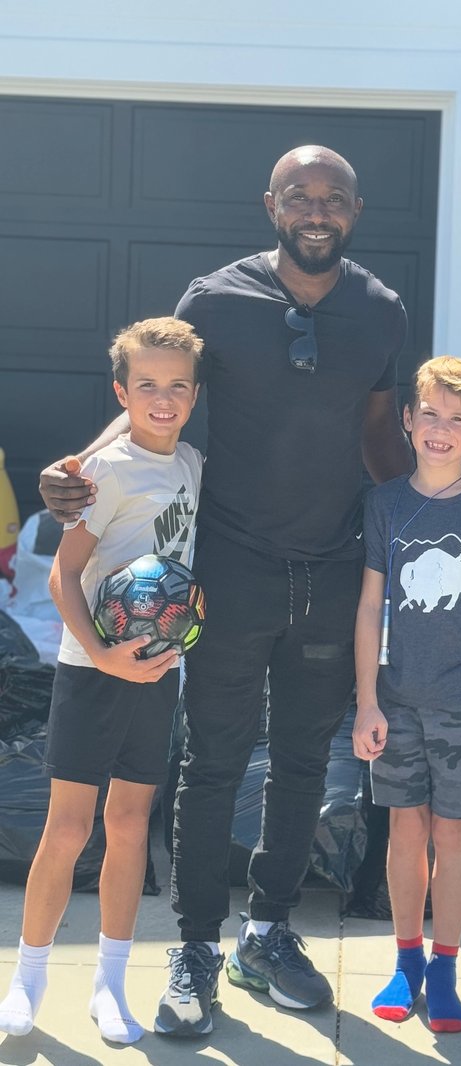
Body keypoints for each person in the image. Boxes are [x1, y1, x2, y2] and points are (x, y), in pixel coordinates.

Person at [38, 145, 412, 1037]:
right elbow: (153, 394)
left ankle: (269, 932)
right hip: (227, 572)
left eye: (333, 198)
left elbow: (381, 437)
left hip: (329, 569)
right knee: (210, 761)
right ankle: (196, 946)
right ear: (271, 205)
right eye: (299, 196)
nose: (316, 211)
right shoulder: (214, 299)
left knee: (303, 766)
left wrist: (439, 515)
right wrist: (81, 472)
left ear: (355, 211)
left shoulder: (382, 311)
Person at [0, 319, 203, 1044]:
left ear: (194, 394)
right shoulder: (104, 472)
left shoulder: (190, 466)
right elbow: (60, 575)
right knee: (68, 829)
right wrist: (102, 652)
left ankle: (110, 986)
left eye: (177, 386)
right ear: (122, 392)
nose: (162, 398)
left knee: (127, 827)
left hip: (156, 675)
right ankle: (27, 979)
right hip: (92, 673)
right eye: (146, 386)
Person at [353, 356, 461, 1032]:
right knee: (405, 830)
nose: (440, 429)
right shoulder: (385, 503)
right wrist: (367, 700)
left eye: (458, 419)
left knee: (454, 835)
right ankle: (405, 961)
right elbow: (370, 607)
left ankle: (446, 968)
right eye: (430, 413)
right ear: (407, 418)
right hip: (395, 701)